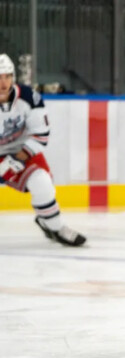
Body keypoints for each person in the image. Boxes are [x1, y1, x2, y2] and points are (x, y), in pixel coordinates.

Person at [0, 54, 86, 246]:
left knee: (42, 184)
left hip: (22, 151)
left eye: (7, 76)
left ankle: (55, 228)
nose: (3, 82)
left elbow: (41, 134)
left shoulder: (28, 97)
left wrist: (17, 160)